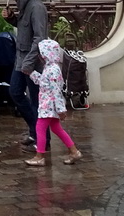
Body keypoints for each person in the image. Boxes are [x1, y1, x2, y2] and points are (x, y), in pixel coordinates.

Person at [4, 0, 48, 148]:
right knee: (15, 92)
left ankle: (43, 140)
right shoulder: (23, 5)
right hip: (20, 59)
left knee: (38, 102)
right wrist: (11, 19)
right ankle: (34, 130)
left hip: (33, 61)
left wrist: (29, 63)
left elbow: (40, 38)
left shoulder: (36, 7)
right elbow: (23, 29)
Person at [25, 38, 82, 166]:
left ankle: (40, 156)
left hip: (48, 106)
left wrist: (61, 109)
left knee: (40, 127)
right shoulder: (50, 68)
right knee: (56, 128)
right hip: (48, 105)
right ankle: (74, 151)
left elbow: (56, 91)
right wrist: (32, 74)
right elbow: (44, 83)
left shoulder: (52, 69)